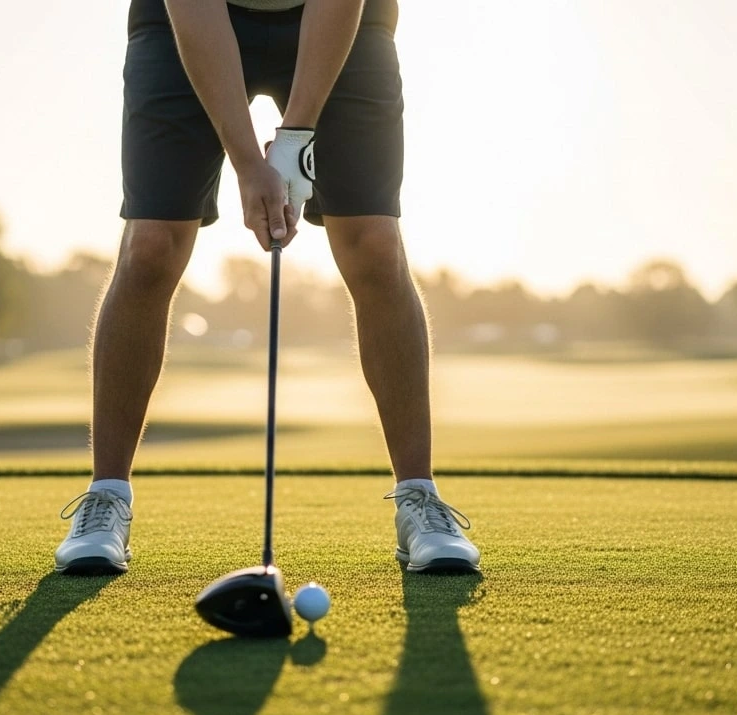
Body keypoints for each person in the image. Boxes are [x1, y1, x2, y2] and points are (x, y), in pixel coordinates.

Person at [54, 0, 480, 576]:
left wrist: (297, 135)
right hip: (188, 18)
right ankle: (107, 499)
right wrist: (247, 160)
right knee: (151, 246)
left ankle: (419, 501)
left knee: (375, 246)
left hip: (344, 19)